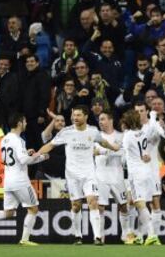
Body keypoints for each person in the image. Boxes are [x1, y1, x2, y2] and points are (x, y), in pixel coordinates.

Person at [37, 105, 119, 245]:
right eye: (74, 115)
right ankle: (77, 235)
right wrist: (37, 154)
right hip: (72, 175)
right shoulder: (66, 132)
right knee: (76, 205)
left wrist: (113, 147)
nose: (75, 118)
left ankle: (98, 237)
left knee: (93, 201)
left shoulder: (93, 131)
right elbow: (50, 145)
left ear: (86, 116)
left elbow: (102, 142)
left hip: (89, 174)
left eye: (78, 115)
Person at [0, 113, 49, 245]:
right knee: (33, 208)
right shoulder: (18, 140)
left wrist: (27, 152)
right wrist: (41, 157)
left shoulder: (4, 139)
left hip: (8, 180)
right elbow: (23, 160)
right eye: (25, 122)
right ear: (20, 123)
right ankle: (25, 240)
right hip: (20, 180)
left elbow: (9, 159)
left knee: (9, 212)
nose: (26, 124)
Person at [121, 109, 159, 246]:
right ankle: (139, 236)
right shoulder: (143, 131)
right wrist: (153, 116)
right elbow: (153, 133)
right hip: (147, 171)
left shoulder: (127, 136)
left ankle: (151, 234)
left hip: (135, 174)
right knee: (132, 202)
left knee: (140, 204)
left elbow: (123, 156)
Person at [134, 101, 165, 245]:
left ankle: (153, 236)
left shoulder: (153, 125)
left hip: (153, 170)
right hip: (137, 172)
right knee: (139, 203)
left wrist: (164, 127)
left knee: (155, 203)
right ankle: (139, 234)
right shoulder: (132, 128)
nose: (139, 113)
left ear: (147, 111)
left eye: (142, 110)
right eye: (136, 111)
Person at [94, 111, 131, 243]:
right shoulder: (96, 136)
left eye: (103, 119)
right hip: (101, 177)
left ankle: (125, 234)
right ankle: (100, 236)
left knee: (124, 206)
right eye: (99, 119)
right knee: (100, 207)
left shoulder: (121, 136)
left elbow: (123, 152)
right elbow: (93, 151)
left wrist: (107, 151)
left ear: (111, 120)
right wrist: (110, 150)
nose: (100, 121)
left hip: (117, 177)